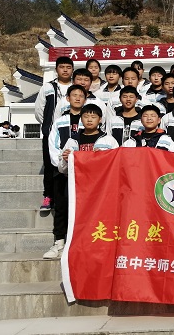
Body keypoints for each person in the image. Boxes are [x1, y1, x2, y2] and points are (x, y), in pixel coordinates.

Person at [45, 104, 118, 259]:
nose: (89, 120)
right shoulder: (72, 141)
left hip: (100, 188)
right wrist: (65, 159)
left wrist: (102, 158)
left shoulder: (109, 141)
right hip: (76, 187)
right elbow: (62, 169)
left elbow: (116, 165)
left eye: (93, 117)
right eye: (86, 116)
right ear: (81, 119)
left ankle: (97, 245)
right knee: (65, 210)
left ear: (100, 120)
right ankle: (60, 244)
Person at [35, 56, 74, 211]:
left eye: (68, 67)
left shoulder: (76, 88)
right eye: (62, 67)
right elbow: (39, 110)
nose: (65, 70)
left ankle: (68, 197)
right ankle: (48, 196)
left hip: (71, 134)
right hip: (51, 134)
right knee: (50, 166)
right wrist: (49, 126)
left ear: (72, 70)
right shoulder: (47, 87)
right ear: (56, 69)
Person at [48, 85, 88, 167]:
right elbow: (53, 144)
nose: (77, 99)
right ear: (68, 98)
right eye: (74, 95)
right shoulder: (60, 122)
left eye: (81, 96)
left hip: (84, 164)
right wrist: (60, 163)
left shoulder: (89, 121)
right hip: (62, 165)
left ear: (85, 100)